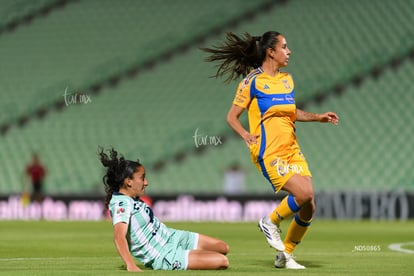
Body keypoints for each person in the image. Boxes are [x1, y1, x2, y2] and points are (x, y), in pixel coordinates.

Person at [202, 31, 339, 269]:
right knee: (304, 194)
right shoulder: (252, 81)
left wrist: (318, 117)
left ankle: (285, 256)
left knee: (309, 205)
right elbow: (232, 117)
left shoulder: (287, 79)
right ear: (271, 52)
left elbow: (291, 111)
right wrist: (246, 135)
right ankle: (269, 221)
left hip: (292, 149)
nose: (289, 51)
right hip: (269, 152)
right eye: (284, 47)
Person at [98, 147, 229, 272]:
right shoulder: (121, 203)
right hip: (164, 254)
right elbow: (119, 236)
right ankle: (183, 257)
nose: (146, 182)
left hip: (171, 236)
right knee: (222, 261)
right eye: (142, 178)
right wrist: (130, 265)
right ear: (129, 182)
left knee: (223, 248)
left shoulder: (132, 197)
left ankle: (189, 255)